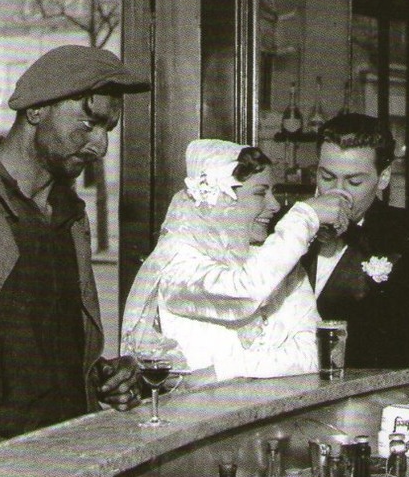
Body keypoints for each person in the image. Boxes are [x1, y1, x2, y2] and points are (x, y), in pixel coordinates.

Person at [0, 46, 151, 451]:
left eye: (108, 129)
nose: (101, 146)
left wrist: (98, 376)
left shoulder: (71, 216)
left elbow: (38, 344)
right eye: (88, 123)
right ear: (36, 110)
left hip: (64, 452)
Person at [119, 140, 350, 379]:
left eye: (274, 192)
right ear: (222, 199)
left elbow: (315, 354)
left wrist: (225, 370)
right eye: (261, 193)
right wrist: (304, 217)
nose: (274, 205)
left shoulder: (274, 259)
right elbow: (243, 293)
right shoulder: (177, 264)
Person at [306, 113, 409, 369]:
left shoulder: (408, 233)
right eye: (327, 177)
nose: (338, 191)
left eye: (354, 181)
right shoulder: (286, 224)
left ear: (383, 178)